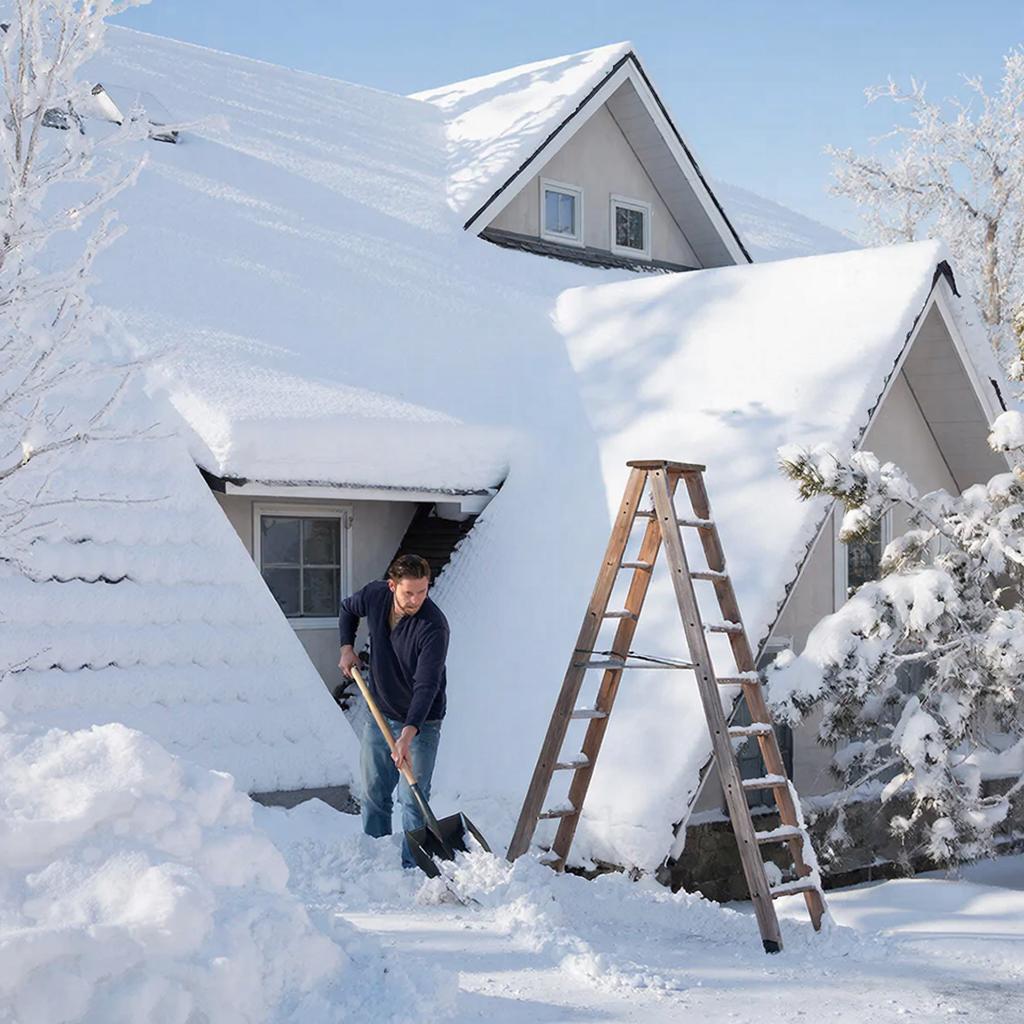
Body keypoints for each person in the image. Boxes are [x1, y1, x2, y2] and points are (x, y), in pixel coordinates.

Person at [338, 553, 449, 868]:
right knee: (374, 792)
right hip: (381, 712)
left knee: (412, 798)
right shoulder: (375, 596)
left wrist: (408, 733)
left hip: (422, 721)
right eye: (408, 593)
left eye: (423, 592)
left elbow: (426, 685)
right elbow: (348, 609)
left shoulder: (433, 627)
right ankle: (377, 860)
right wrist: (346, 647)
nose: (416, 600)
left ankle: (413, 868)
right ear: (391, 586)